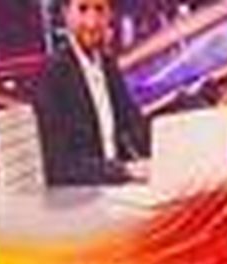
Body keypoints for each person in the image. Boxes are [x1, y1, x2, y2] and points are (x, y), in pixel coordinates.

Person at [34, 0, 150, 187]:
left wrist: (162, 156)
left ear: (109, 15)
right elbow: (57, 165)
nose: (92, 22)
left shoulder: (109, 66)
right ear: (66, 15)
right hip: (77, 198)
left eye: (99, 10)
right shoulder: (52, 74)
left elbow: (133, 125)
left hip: (115, 189)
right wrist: (124, 171)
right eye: (83, 9)